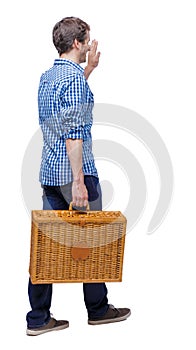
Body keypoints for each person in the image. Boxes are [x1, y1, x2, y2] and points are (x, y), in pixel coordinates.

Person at [26, 16, 131, 336]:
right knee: (91, 242)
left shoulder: (51, 76)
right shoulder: (73, 81)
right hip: (73, 175)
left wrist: (91, 69)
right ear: (77, 43)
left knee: (47, 245)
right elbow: (74, 133)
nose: (89, 45)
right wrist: (79, 181)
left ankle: (38, 318)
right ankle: (98, 310)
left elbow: (68, 105)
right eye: (87, 40)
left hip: (49, 172)